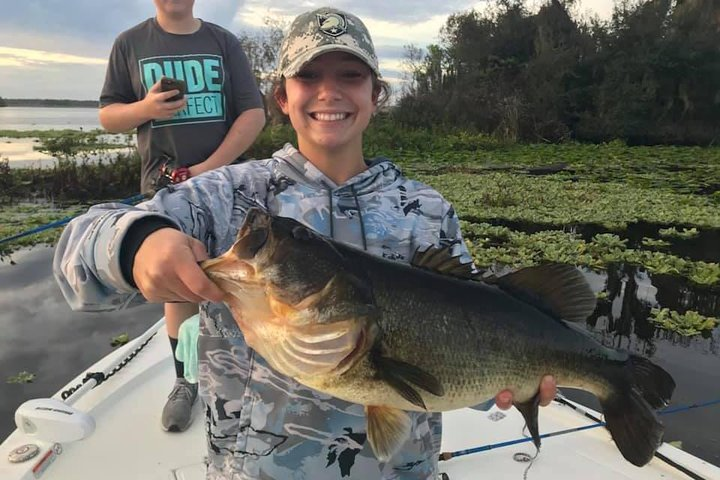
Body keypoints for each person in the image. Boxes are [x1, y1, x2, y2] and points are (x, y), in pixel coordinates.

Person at [56, 7, 556, 478]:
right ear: (281, 97)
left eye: (350, 76)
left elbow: (469, 352)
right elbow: (78, 251)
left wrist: (509, 385)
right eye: (309, 76)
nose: (328, 93)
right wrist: (139, 243)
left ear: (377, 95)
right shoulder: (231, 197)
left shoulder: (426, 211)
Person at [98, 0, 266, 433]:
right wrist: (145, 110)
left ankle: (250, 375)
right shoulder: (129, 43)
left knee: (240, 278)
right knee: (179, 290)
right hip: (164, 190)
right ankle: (184, 381)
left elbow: (253, 112)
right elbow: (108, 116)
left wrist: (209, 168)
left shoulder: (223, 42)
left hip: (229, 184)